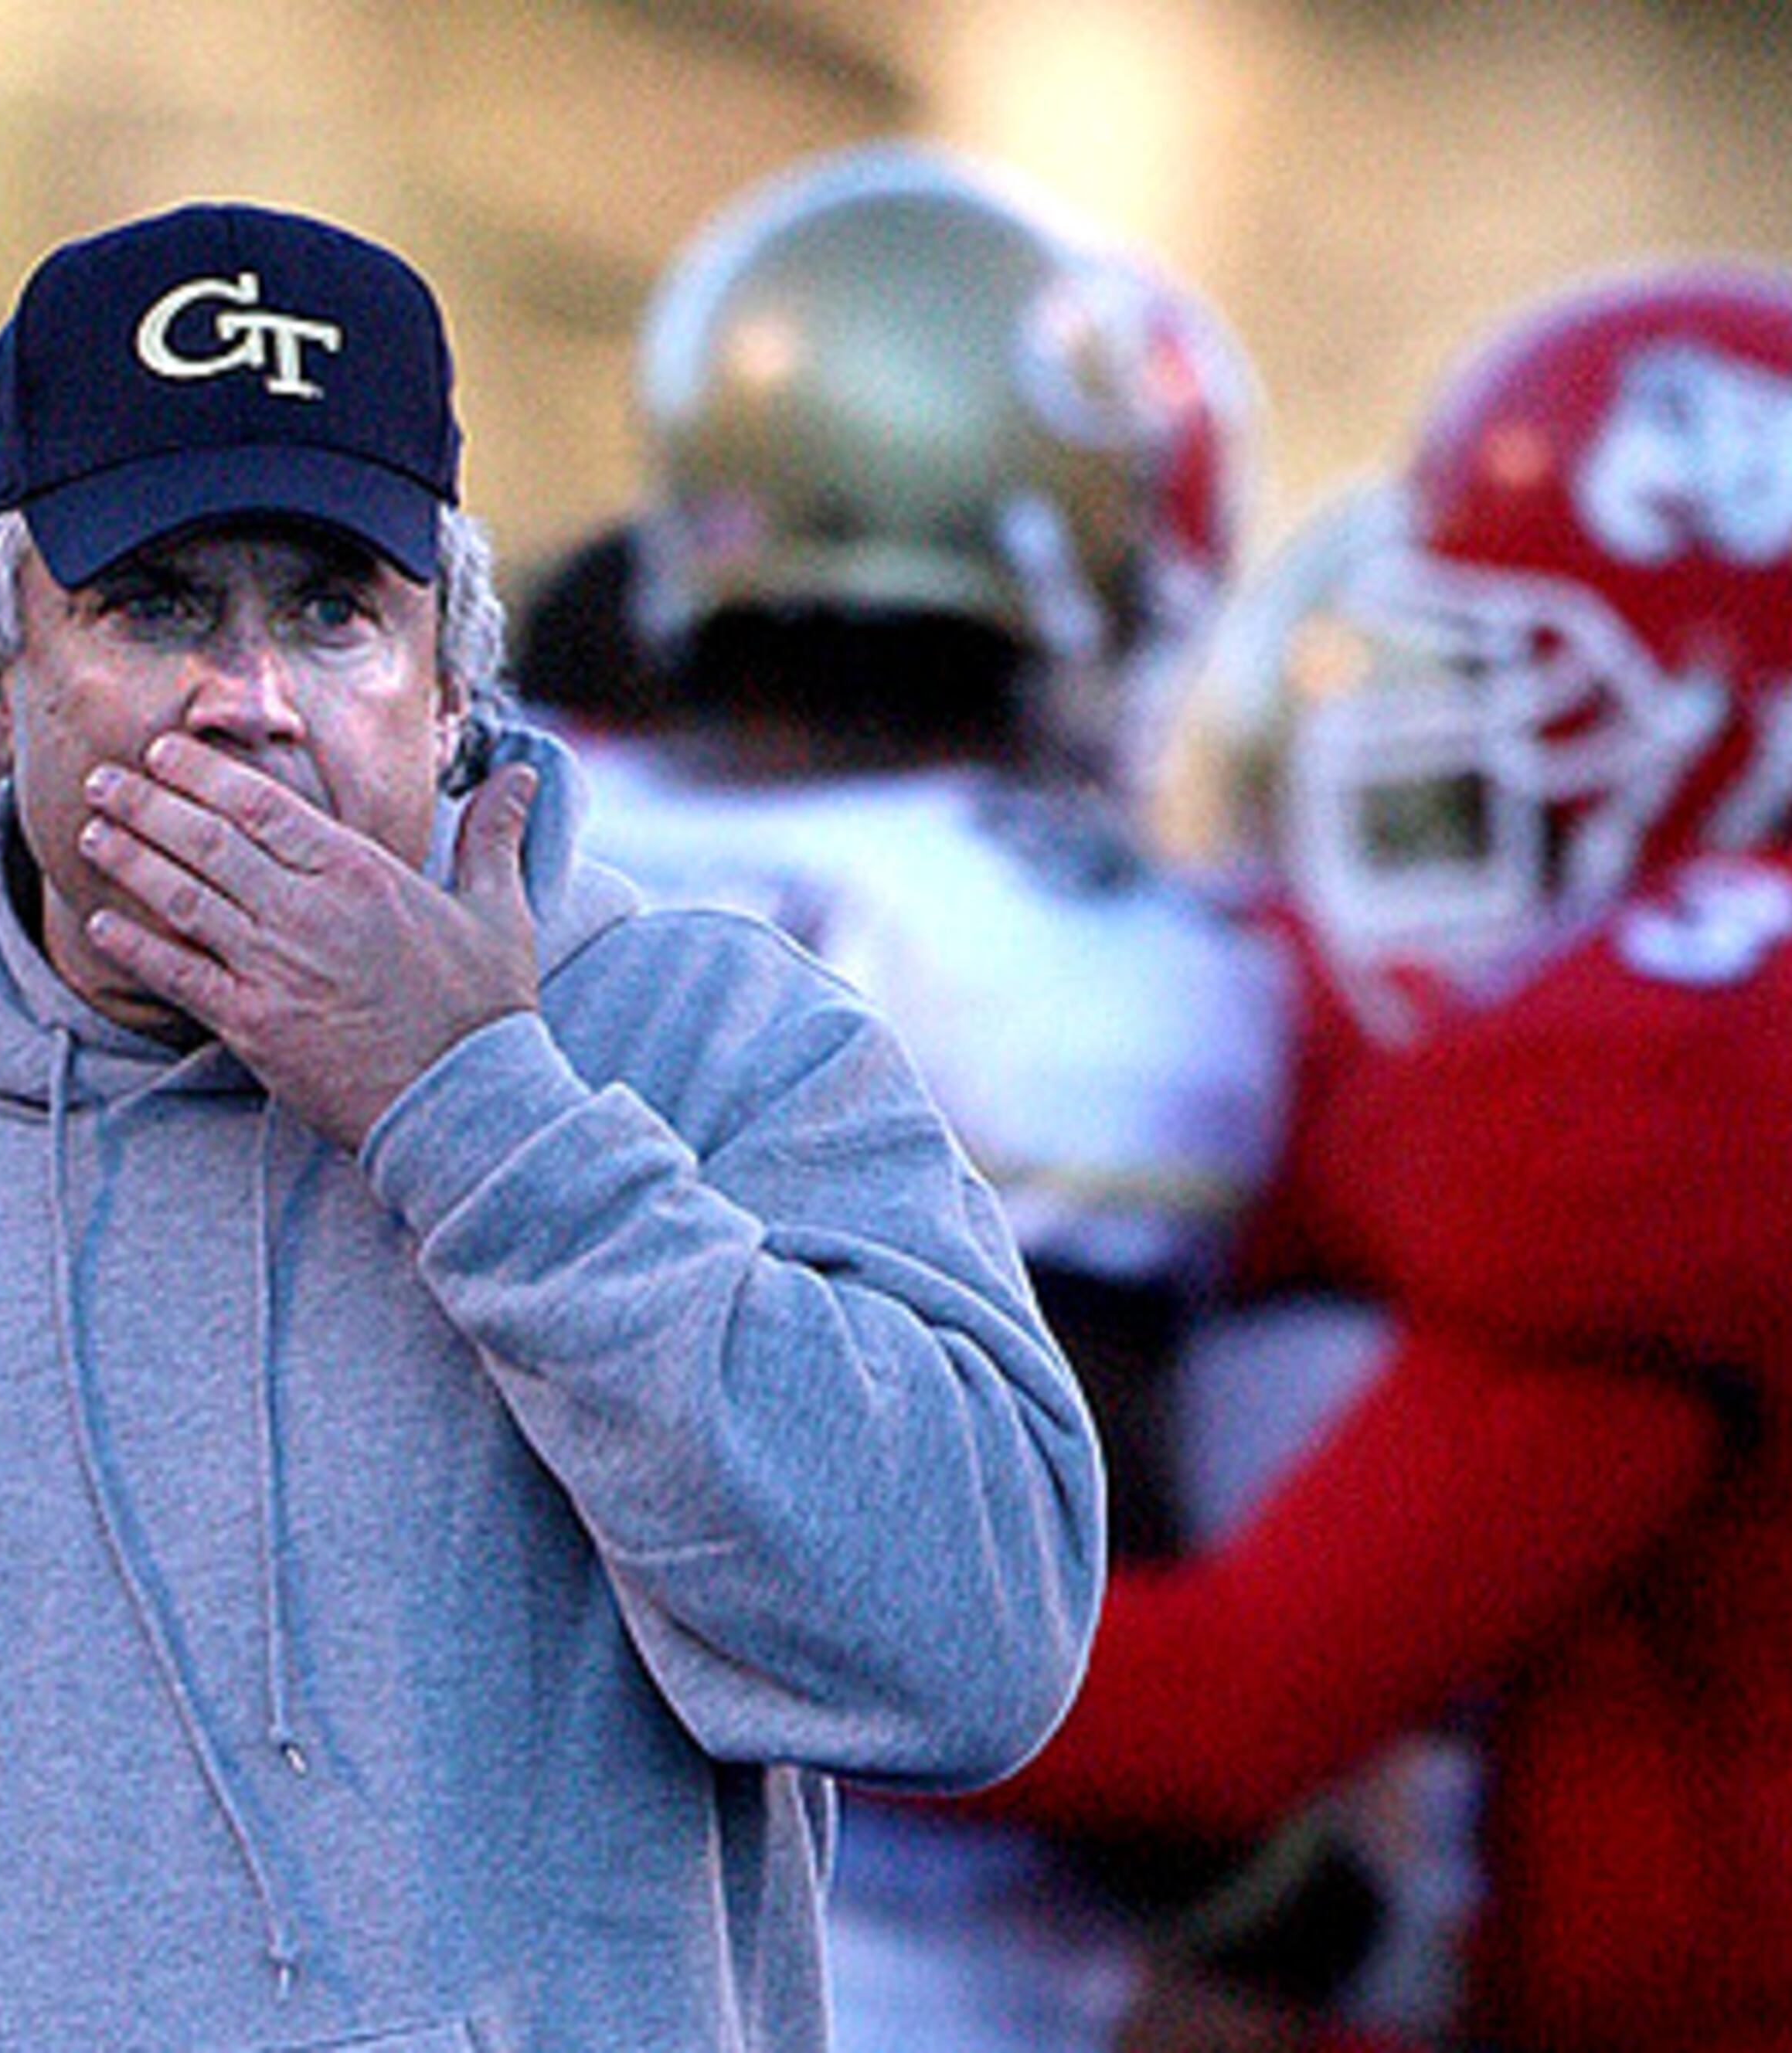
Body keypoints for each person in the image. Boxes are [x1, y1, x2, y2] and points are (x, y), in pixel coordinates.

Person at [0, 197, 1103, 2050]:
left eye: (333, 611)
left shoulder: (708, 1040)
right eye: (155, 607)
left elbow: (975, 1652)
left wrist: (473, 1114)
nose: (252, 701)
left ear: (453, 681)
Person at [971, 260, 1792, 2051]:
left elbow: (1240, 1711)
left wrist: (765, 1622)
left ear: (1742, 669)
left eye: (1522, 666)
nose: (1457, 728)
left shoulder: (1703, 1067)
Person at [519, 142, 1399, 2051]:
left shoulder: (502, 811)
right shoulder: (1093, 964)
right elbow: (1038, 1580)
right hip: (903, 1959)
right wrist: (1301, 1914)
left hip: (470, 1887)